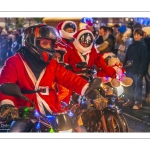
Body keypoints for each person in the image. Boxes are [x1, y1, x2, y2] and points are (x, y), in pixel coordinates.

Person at [0, 24, 100, 132]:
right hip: (25, 112)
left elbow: (69, 77)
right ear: (32, 41)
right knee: (15, 132)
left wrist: (88, 90)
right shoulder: (14, 62)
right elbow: (5, 83)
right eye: (44, 43)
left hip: (53, 109)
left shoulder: (52, 64)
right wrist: (7, 106)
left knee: (81, 131)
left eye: (51, 44)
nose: (49, 47)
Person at [123, 29, 149, 109]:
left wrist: (141, 71)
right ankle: (130, 100)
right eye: (135, 35)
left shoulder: (143, 47)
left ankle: (138, 102)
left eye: (138, 35)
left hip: (138, 70)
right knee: (129, 86)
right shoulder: (131, 46)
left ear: (141, 36)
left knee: (138, 86)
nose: (136, 36)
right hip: (130, 69)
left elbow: (145, 60)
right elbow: (127, 57)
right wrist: (124, 67)